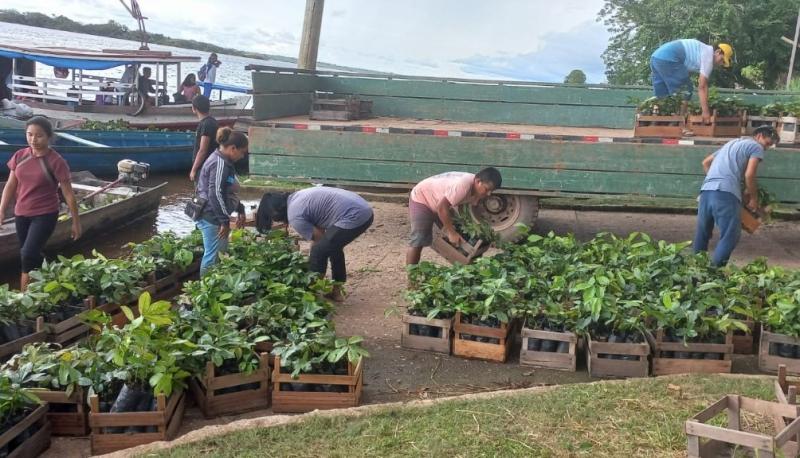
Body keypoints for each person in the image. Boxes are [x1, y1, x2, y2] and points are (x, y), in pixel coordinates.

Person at [0, 117, 82, 290]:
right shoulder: (20, 156)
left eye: (39, 136)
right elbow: (10, 185)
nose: (33, 140)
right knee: (30, 253)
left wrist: (76, 222)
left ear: (49, 137)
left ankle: (24, 295)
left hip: (45, 214)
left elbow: (68, 193)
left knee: (27, 253)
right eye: (29, 135)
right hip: (21, 213)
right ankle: (50, 274)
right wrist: (1, 210)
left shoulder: (56, 161)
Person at [256, 187, 374, 301]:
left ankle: (313, 294)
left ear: (277, 211)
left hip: (355, 215)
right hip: (362, 207)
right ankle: (336, 292)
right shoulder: (297, 197)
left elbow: (318, 242)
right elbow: (320, 236)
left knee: (320, 251)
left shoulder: (295, 215)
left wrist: (311, 266)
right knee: (332, 246)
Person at [693, 125, 778, 266]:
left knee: (703, 233)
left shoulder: (732, 143)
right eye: (768, 143)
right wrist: (754, 200)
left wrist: (719, 181)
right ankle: (714, 273)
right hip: (725, 193)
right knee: (731, 235)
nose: (766, 148)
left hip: (706, 190)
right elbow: (749, 175)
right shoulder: (755, 146)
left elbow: (706, 162)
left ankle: (694, 270)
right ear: (759, 136)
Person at [405, 167, 502, 266]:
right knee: (418, 239)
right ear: (478, 181)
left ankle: (466, 267)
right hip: (422, 198)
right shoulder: (463, 186)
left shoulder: (476, 189)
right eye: (487, 189)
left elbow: (460, 207)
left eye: (491, 191)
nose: (489, 194)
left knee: (458, 233)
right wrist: (451, 232)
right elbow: (442, 208)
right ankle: (412, 276)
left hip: (438, 201)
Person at [650, 40, 733, 135]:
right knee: (686, 90)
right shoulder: (708, 56)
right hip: (670, 58)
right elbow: (702, 86)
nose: (721, 64)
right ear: (717, 52)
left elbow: (685, 71)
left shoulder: (701, 49)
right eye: (722, 60)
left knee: (662, 95)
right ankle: (680, 126)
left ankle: (654, 125)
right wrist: (705, 112)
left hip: (656, 57)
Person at [195, 127, 247, 275]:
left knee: (219, 253)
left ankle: (211, 286)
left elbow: (227, 192)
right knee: (213, 256)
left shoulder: (224, 161)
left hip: (215, 216)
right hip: (211, 216)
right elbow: (215, 193)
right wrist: (224, 221)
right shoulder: (219, 163)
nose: (242, 156)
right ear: (233, 148)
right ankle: (204, 290)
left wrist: (240, 209)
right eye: (242, 152)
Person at [189, 95, 219, 181]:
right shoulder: (212, 121)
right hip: (210, 165)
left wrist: (193, 170)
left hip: (204, 167)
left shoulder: (206, 124)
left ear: (194, 108)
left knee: (202, 192)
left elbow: (203, 150)